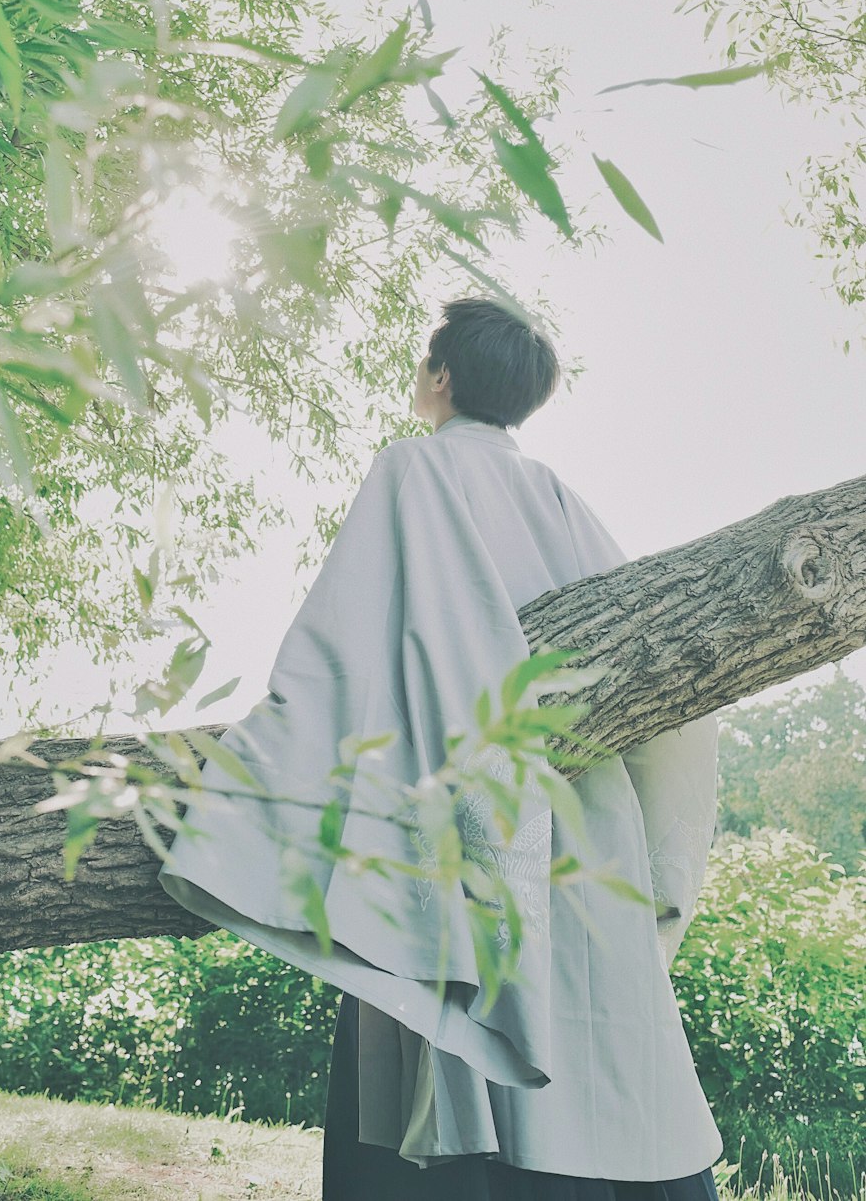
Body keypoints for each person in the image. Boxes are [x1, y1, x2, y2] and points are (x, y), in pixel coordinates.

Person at [157, 295, 723, 1199]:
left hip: (453, 831)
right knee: (601, 1072)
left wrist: (249, 777)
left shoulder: (412, 472)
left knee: (440, 1072)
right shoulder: (570, 505)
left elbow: (346, 650)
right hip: (589, 825)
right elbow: (673, 697)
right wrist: (662, 877)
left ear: (442, 377)